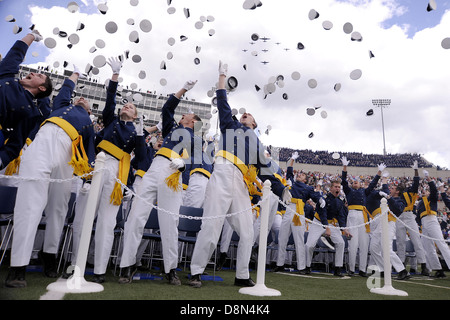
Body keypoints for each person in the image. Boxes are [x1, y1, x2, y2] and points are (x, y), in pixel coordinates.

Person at [189, 61, 292, 288]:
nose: (245, 114)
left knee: (247, 232)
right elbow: (224, 102)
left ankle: (242, 275)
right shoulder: (229, 124)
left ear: (254, 124)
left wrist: (281, 189)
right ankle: (196, 271)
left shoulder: (257, 142)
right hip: (223, 172)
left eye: (249, 115)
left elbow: (265, 169)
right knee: (212, 225)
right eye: (243, 113)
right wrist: (223, 76)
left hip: (242, 185)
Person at [4, 66, 96, 288]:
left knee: (59, 208)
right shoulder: (62, 105)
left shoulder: (89, 125)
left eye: (87, 101)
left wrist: (88, 178)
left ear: (91, 112)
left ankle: (50, 257)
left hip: (67, 154)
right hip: (43, 143)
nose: (82, 99)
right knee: (29, 204)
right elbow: (65, 91)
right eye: (79, 97)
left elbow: (91, 153)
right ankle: (18, 267)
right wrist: (75, 75)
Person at [70, 57, 147, 283]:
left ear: (135, 116)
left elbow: (141, 159)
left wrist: (142, 134)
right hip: (97, 165)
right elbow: (111, 100)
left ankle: (100, 270)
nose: (126, 106)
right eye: (126, 104)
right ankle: (77, 264)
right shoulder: (111, 120)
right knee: (84, 218)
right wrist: (115, 76)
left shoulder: (136, 131)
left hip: (117, 172)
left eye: (131, 107)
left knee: (107, 222)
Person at [118, 79, 200, 285]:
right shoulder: (172, 127)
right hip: (155, 167)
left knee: (169, 222)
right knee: (136, 215)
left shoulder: (195, 139)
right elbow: (167, 107)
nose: (183, 115)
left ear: (193, 122)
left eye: (187, 115)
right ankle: (127, 265)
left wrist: (183, 165)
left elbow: (195, 162)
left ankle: (170, 268)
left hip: (173, 174)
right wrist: (183, 89)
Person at [0, 30, 53, 170]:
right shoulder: (7, 78)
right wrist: (31, 36)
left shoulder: (32, 113)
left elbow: (15, 144)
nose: (32, 72)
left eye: (39, 76)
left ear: (42, 88)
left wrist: (1, 159)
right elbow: (14, 56)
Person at [274, 154, 325, 274]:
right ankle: (279, 264)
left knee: (299, 240)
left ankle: (302, 267)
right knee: (282, 238)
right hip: (288, 210)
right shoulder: (291, 182)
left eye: (302, 175)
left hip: (298, 212)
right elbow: (290, 171)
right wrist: (292, 160)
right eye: (299, 174)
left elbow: (315, 195)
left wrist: (321, 198)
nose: (299, 175)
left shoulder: (307, 188)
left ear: (305, 180)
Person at [341, 156, 383, 276]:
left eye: (357, 181)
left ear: (360, 184)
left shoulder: (365, 191)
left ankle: (363, 269)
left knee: (364, 244)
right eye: (353, 181)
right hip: (352, 215)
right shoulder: (348, 191)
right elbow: (344, 181)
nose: (355, 182)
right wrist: (345, 167)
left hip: (363, 217)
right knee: (353, 244)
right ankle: (351, 269)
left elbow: (373, 184)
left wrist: (379, 172)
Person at [367, 173, 411, 280]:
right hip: (381, 223)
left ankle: (402, 270)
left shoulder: (400, 200)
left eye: (393, 188)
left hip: (389, 224)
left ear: (397, 191)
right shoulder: (388, 197)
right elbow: (385, 189)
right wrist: (384, 180)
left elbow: (398, 209)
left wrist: (388, 198)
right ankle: (383, 269)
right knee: (373, 248)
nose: (390, 189)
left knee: (386, 249)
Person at [305, 180, 350, 276]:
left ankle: (338, 268)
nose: (337, 189)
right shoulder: (324, 198)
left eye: (339, 187)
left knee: (340, 243)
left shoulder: (340, 200)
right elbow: (322, 214)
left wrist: (344, 229)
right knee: (310, 245)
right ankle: (307, 266)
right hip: (318, 222)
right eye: (336, 187)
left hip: (331, 224)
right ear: (331, 188)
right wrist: (327, 228)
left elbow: (341, 216)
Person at [395, 161, 428, 275]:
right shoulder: (397, 195)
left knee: (416, 241)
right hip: (399, 217)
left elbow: (416, 182)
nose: (402, 184)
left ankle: (423, 266)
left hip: (409, 216)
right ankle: (401, 266)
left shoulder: (411, 191)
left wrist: (415, 170)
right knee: (400, 242)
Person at [416, 170, 450, 278]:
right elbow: (418, 218)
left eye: (425, 190)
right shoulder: (420, 204)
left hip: (432, 220)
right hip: (424, 224)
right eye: (422, 190)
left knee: (441, 244)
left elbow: (434, 190)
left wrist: (429, 179)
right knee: (428, 248)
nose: (423, 191)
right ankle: (438, 269)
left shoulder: (432, 199)